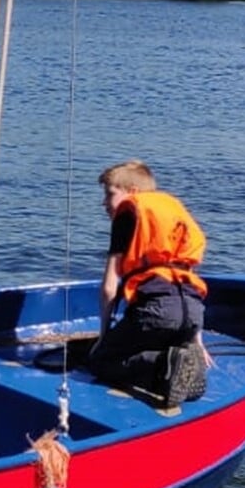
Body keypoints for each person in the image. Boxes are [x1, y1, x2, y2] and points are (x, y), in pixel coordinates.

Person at [84, 159, 209, 406]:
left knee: (100, 361)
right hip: (192, 313)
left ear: (132, 192)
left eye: (110, 194)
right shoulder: (173, 210)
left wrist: (103, 337)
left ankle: (163, 368)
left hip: (157, 310)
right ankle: (181, 357)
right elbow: (188, 278)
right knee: (165, 339)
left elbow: (110, 286)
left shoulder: (128, 215)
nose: (104, 204)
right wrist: (196, 340)